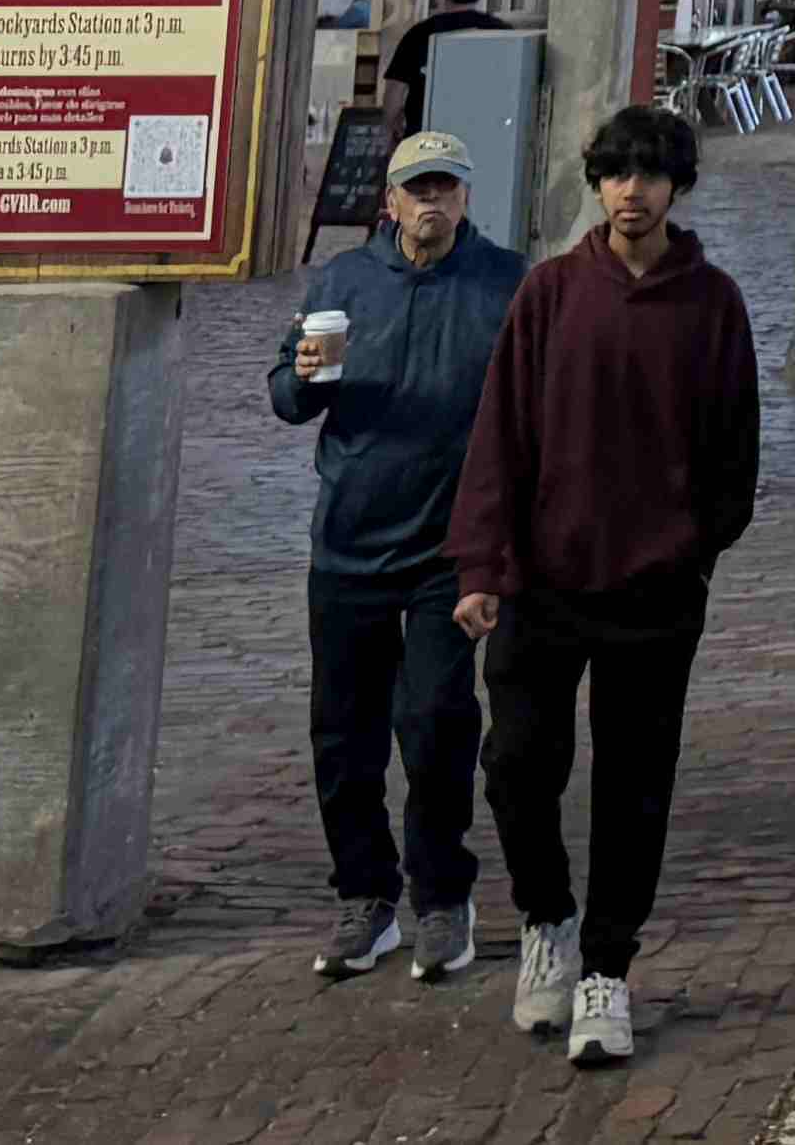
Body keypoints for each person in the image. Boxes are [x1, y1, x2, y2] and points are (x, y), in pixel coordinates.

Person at [450, 99, 761, 1069]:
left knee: (635, 785)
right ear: (597, 184)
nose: (632, 192)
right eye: (618, 174)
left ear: (677, 186)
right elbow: (501, 433)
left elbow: (736, 451)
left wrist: (694, 550)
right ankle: (545, 915)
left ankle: (606, 970)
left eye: (651, 174)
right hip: (542, 582)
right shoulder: (550, 292)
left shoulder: (713, 303)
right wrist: (483, 565)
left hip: (655, 594)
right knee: (515, 765)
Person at [277, 122, 521, 981]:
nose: (431, 202)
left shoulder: (507, 283)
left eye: (445, 187)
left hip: (450, 552)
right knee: (343, 739)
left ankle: (443, 899)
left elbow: (534, 411)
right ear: (390, 202)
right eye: (418, 189)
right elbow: (286, 398)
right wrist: (305, 376)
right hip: (348, 547)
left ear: (465, 197)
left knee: (436, 724)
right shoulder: (344, 280)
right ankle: (365, 898)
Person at [382, 0, 514, 131]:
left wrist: (391, 128)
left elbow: (395, 88)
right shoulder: (501, 32)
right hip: (483, 129)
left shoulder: (420, 33)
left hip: (425, 131)